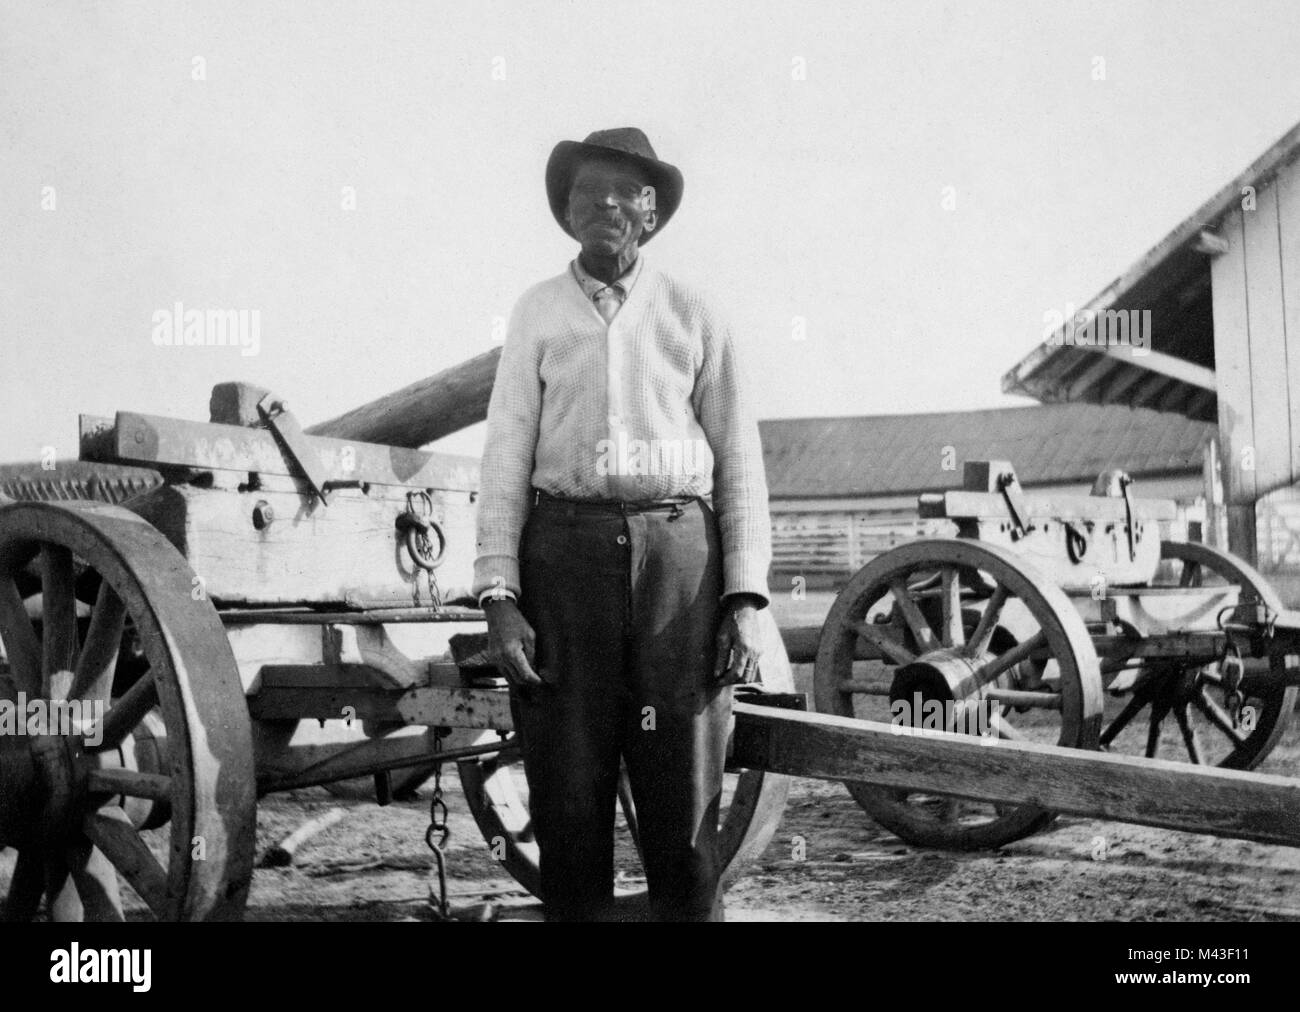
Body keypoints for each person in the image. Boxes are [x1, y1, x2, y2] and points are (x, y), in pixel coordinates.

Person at [472, 127, 771, 921]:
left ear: (650, 212)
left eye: (623, 191)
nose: (602, 202)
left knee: (684, 806)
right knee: (569, 800)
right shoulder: (536, 312)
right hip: (564, 559)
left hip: (679, 561)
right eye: (585, 190)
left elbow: (739, 454)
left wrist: (743, 597)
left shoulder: (693, 312)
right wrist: (500, 597)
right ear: (566, 210)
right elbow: (504, 457)